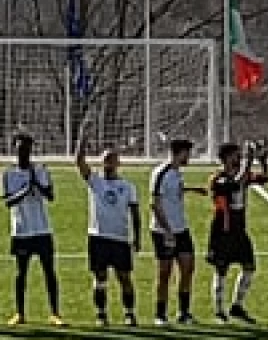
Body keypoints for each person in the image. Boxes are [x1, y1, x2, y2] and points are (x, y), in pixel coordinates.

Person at [78, 146, 142, 328]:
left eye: (112, 160)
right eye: (106, 159)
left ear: (118, 163)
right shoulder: (95, 181)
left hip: (120, 238)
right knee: (100, 278)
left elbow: (135, 213)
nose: (109, 163)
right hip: (98, 236)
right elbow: (80, 163)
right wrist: (81, 143)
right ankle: (101, 314)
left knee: (124, 278)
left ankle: (129, 313)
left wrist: (137, 238)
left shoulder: (128, 187)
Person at [207, 141, 268, 324]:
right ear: (226, 158)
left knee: (249, 267)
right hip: (223, 230)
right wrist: (249, 161)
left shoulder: (242, 174)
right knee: (221, 270)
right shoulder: (217, 178)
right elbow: (235, 184)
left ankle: (237, 305)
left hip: (239, 230)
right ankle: (219, 310)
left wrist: (263, 160)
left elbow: (265, 179)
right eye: (236, 155)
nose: (239, 158)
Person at [2, 134, 61, 327]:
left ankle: (55, 312)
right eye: (20, 149)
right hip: (21, 230)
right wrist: (24, 191)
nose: (24, 153)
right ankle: (20, 312)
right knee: (21, 272)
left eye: (27, 149)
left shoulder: (41, 170)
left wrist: (38, 185)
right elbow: (8, 201)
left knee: (49, 271)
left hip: (42, 228)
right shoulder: (8, 173)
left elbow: (51, 196)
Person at [148, 138, 204, 326]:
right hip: (164, 230)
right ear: (179, 153)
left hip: (181, 228)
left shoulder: (176, 173)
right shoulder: (160, 173)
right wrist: (167, 230)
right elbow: (154, 204)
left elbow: (174, 192)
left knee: (188, 268)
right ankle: (160, 314)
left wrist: (192, 189)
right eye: (187, 154)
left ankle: (184, 312)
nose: (189, 157)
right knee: (165, 273)